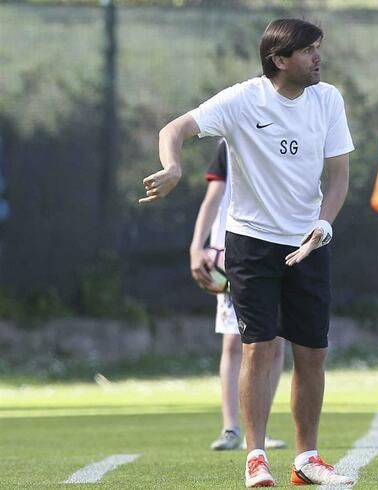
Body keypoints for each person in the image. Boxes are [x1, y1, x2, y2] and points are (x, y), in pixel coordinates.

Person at [140, 18, 355, 487]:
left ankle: (307, 459)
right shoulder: (242, 99)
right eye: (307, 51)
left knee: (313, 352)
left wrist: (322, 225)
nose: (318, 57)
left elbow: (338, 176)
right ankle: (255, 456)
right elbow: (174, 128)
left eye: (318, 48)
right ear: (279, 60)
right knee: (259, 347)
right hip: (251, 241)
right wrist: (173, 165)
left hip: (310, 242)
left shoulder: (328, 100)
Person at [189, 139, 287, 452]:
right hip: (233, 256)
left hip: (278, 250)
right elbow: (213, 198)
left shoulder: (288, 135)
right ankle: (231, 427)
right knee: (234, 343)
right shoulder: (229, 142)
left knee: (275, 342)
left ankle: (258, 430)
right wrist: (197, 246)